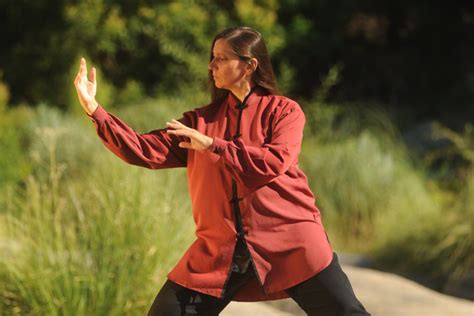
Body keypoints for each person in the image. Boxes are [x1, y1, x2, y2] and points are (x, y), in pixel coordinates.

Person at [74, 26, 370, 316]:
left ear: (250, 65)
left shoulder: (285, 111)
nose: (211, 65)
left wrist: (213, 146)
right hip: (219, 253)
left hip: (292, 244)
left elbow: (272, 161)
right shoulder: (200, 121)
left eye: (222, 58)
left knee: (347, 312)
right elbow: (142, 149)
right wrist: (94, 110)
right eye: (212, 57)